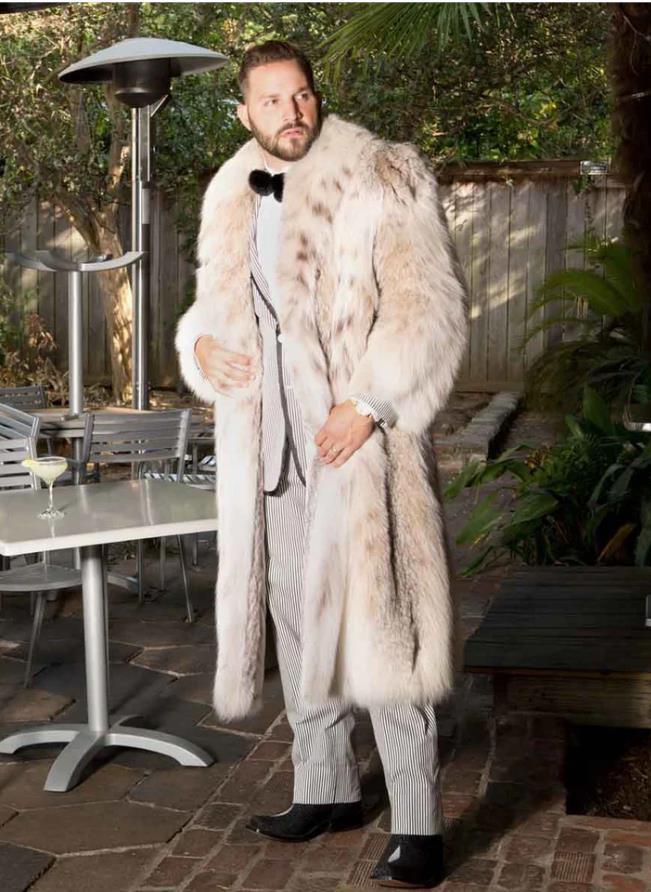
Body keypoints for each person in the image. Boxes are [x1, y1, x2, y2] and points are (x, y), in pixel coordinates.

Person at [176, 40, 468, 889]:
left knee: (379, 628)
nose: (290, 112)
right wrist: (199, 347)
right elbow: (213, 307)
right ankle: (326, 786)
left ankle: (417, 825)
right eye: (270, 100)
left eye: (300, 95)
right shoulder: (230, 189)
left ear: (316, 96)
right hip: (270, 449)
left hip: (357, 447)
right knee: (298, 623)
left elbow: (427, 309)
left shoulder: (383, 172)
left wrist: (368, 401)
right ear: (244, 112)